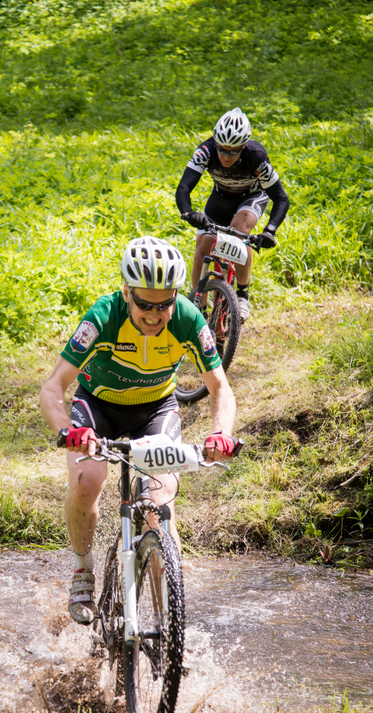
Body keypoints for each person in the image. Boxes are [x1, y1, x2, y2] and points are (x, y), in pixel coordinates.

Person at [40, 236, 239, 625]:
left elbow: (220, 388)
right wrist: (68, 430)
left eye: (163, 304)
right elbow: (52, 388)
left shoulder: (187, 318)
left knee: (160, 503)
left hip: (155, 409)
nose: (154, 314)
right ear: (126, 292)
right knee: (87, 481)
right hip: (98, 406)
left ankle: (170, 624)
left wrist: (221, 433)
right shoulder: (104, 316)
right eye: (145, 304)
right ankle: (83, 569)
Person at [176, 107, 290, 321]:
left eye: (233, 151)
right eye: (222, 150)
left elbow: (281, 199)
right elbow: (184, 187)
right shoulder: (206, 150)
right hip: (221, 197)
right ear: (215, 143)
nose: (226, 156)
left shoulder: (255, 156)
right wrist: (188, 212)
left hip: (252, 196)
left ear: (243, 146)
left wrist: (270, 231)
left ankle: (242, 295)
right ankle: (199, 305)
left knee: (239, 231)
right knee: (203, 246)